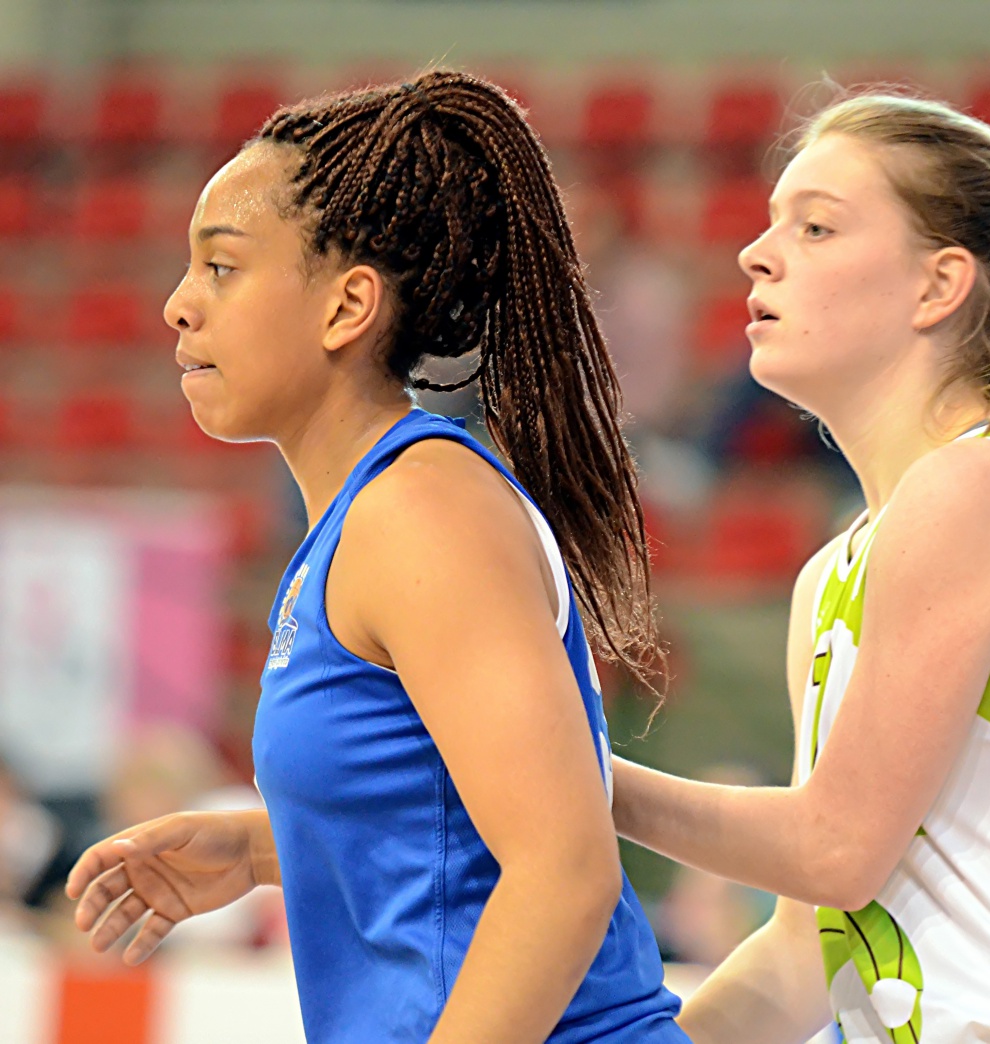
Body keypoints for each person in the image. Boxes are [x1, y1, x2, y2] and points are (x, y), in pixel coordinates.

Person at [64, 70, 689, 1044]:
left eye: (220, 267)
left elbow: (563, 874)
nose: (178, 305)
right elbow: (445, 822)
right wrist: (269, 849)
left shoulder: (420, 512)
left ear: (346, 306)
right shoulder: (371, 514)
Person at [609, 91, 990, 1044]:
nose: (755, 254)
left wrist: (568, 774)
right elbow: (805, 952)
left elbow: (832, 847)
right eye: (768, 223)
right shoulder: (837, 567)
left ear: (938, 286)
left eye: (814, 227)